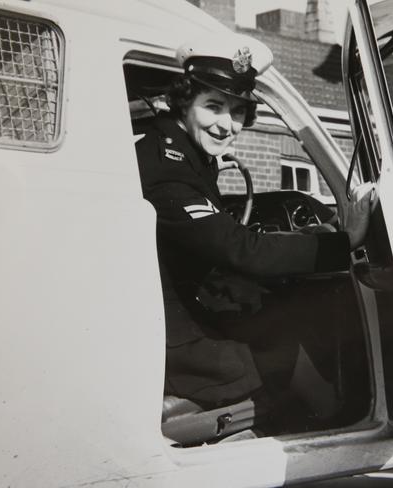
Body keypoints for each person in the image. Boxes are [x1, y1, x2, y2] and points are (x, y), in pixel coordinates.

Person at [136, 34, 375, 413]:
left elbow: (202, 241)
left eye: (236, 112)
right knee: (284, 347)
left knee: (277, 315)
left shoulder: (182, 150)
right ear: (184, 103)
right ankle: (313, 429)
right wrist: (344, 242)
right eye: (212, 107)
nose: (225, 125)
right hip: (167, 340)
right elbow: (242, 250)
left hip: (172, 314)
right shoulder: (165, 164)